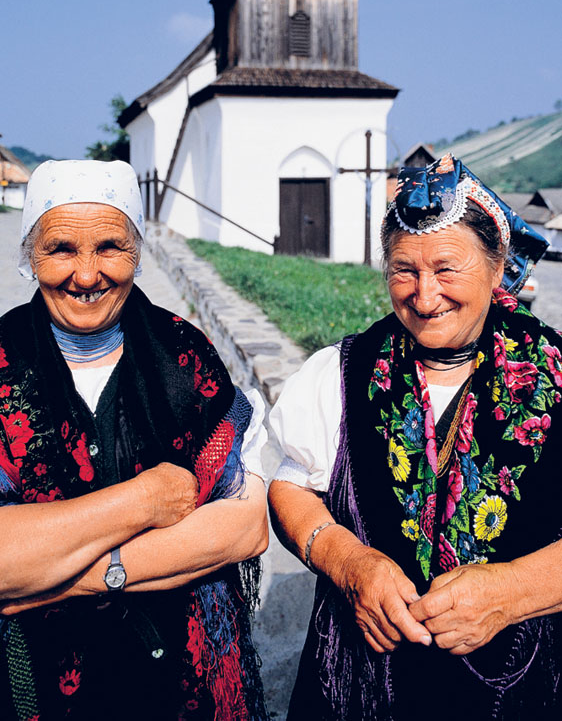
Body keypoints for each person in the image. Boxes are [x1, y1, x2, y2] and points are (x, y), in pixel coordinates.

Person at [268, 152, 562, 720]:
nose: (425, 296)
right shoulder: (343, 371)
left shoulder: (554, 373)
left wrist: (512, 593)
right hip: (358, 687)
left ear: (497, 267)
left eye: (447, 269)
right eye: (405, 270)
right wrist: (347, 561)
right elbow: (289, 485)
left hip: (519, 692)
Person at [0, 159, 268, 721]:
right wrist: (143, 501)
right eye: (62, 249)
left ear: (138, 253)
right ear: (29, 256)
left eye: (110, 247)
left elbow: (243, 527)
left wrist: (67, 580)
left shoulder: (186, 357)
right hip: (37, 688)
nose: (87, 274)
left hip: (184, 685)